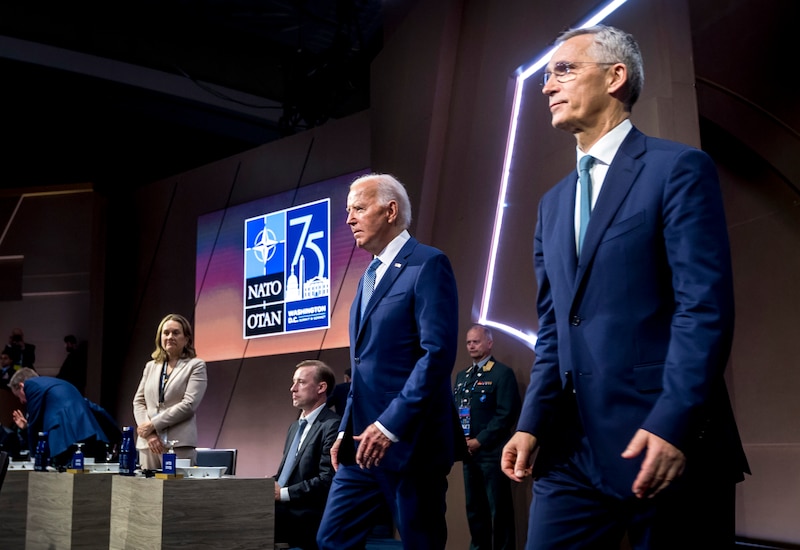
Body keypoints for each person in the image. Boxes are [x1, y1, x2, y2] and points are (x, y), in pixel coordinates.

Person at [500, 25, 749, 549]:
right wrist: (531, 423)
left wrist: (673, 422)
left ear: (616, 77)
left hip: (660, 442)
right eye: (546, 75)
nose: (547, 86)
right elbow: (554, 329)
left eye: (564, 70)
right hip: (569, 450)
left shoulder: (676, 169)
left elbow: (701, 309)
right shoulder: (551, 204)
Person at [316, 173, 462, 550]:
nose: (348, 219)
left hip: (410, 444)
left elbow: (437, 355)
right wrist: (347, 428)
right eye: (348, 211)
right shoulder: (368, 276)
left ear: (391, 210)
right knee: (331, 539)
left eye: (358, 209)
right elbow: (363, 365)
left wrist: (389, 425)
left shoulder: (428, 265)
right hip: (361, 445)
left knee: (420, 544)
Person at [454, 324, 520, 550]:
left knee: (498, 511)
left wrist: (479, 440)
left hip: (492, 453)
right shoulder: (462, 377)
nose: (471, 345)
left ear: (489, 343)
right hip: (469, 455)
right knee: (474, 510)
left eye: (476, 341)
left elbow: (506, 413)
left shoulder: (502, 374)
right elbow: (457, 412)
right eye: (468, 342)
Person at [273, 359, 341, 550]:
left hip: (306, 514)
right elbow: (286, 475)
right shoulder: (294, 427)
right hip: (282, 508)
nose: (293, 389)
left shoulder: (333, 425)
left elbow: (327, 479)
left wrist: (283, 494)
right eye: (294, 382)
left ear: (321, 387)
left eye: (301, 382)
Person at [133, 313, 207, 470]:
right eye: (166, 333)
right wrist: (150, 434)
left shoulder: (196, 366)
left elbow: (189, 405)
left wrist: (153, 425)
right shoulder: (150, 366)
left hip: (179, 444)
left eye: (176, 332)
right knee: (146, 492)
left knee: (176, 494)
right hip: (149, 444)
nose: (170, 336)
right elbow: (138, 402)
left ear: (186, 339)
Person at [9, 367, 112, 467]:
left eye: (19, 396)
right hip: (89, 431)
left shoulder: (30, 385)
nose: (22, 401)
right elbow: (92, 406)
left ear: (22, 386)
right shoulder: (57, 384)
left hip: (65, 437)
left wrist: (35, 458)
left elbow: (35, 424)